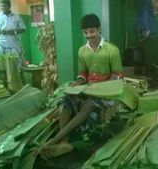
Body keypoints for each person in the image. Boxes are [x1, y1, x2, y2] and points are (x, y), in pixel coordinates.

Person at [40, 13, 123, 159]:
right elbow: (83, 74)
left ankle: (55, 139)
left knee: (88, 105)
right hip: (87, 89)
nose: (89, 35)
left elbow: (116, 77)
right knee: (66, 101)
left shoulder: (112, 49)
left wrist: (99, 87)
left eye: (92, 31)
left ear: (98, 29)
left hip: (107, 91)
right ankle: (64, 142)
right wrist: (77, 83)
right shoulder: (82, 51)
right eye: (85, 32)